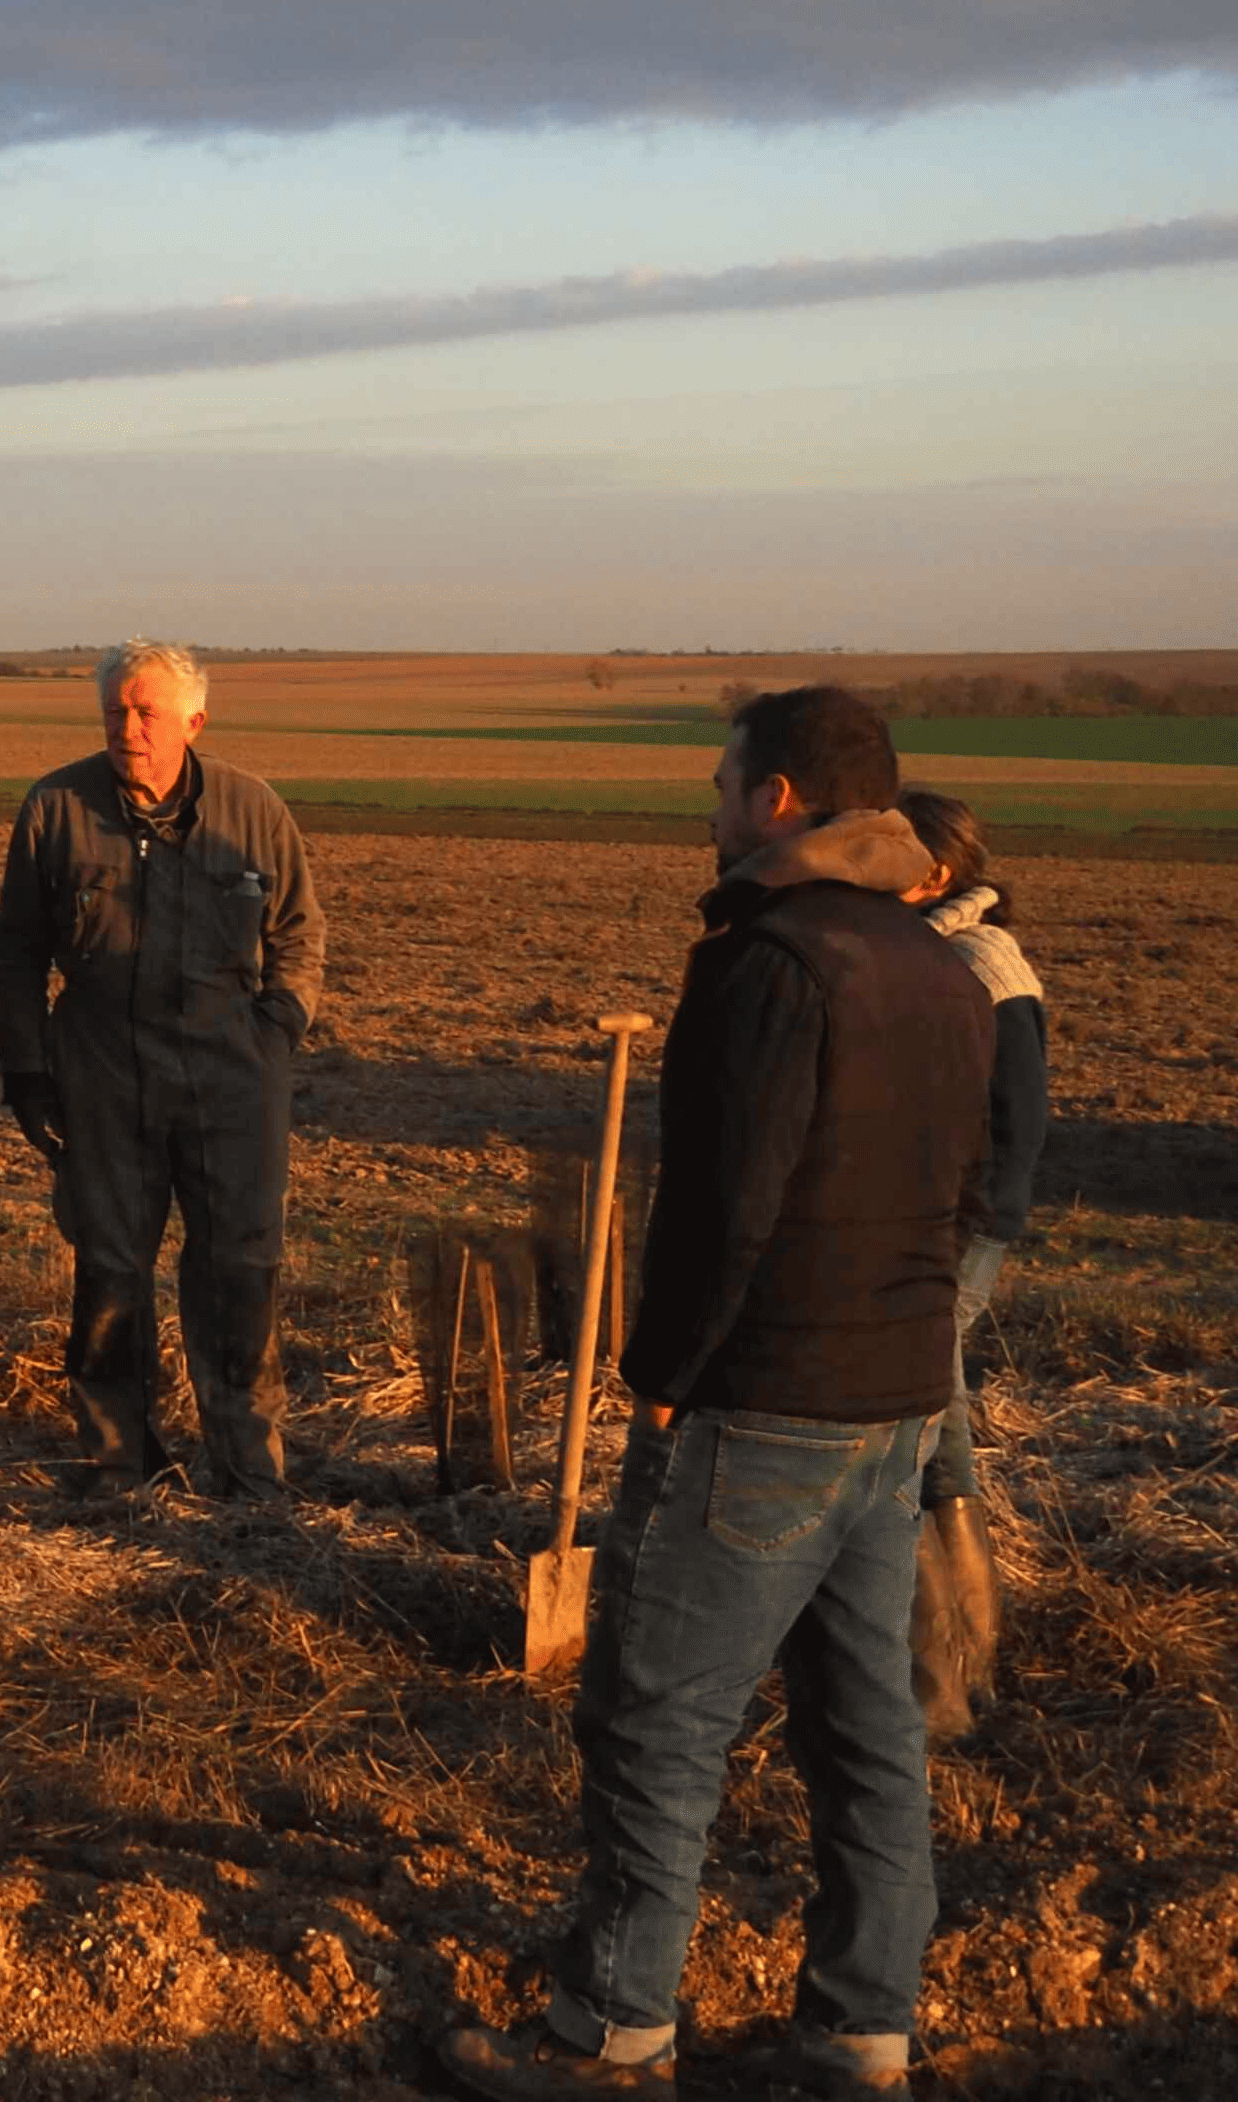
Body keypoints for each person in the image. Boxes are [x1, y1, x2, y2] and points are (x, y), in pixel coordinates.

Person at [439, 687, 994, 2102]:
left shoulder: (769, 963)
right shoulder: (945, 967)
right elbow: (956, 1202)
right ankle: (865, 2027)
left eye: (723, 780)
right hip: (892, 1404)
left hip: (763, 1404)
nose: (711, 802)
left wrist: (664, 1383)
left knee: (656, 1717)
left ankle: (612, 2031)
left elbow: (720, 1210)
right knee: (864, 1725)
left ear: (783, 800)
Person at [0, 639, 322, 1500]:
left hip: (233, 1083)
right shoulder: (56, 809)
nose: (128, 730)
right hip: (102, 1076)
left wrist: (273, 1036)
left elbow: (299, 937)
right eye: (115, 713)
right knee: (109, 1271)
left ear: (193, 721)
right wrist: (28, 1074)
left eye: (146, 714)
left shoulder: (253, 814)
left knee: (239, 1272)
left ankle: (249, 1471)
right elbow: (17, 953)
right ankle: (118, 1466)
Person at [898, 787, 1047, 1741]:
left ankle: (940, 1688)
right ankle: (967, 1669)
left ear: (939, 874)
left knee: (915, 1419)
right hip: (946, 1219)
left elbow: (1016, 1118)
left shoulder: (977, 961)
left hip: (960, 1224)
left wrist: (960, 1214)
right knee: (934, 1418)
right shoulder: (942, 953)